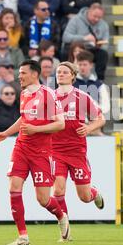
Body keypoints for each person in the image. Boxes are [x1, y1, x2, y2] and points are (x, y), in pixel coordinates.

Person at [0, 59, 69, 245]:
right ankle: (23, 236)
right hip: (21, 148)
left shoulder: (48, 95)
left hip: (41, 152)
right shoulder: (24, 94)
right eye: (19, 73)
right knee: (14, 187)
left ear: (34, 74)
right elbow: (24, 119)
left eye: (23, 73)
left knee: (43, 199)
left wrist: (36, 130)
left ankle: (61, 216)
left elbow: (60, 123)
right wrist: (7, 133)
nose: (19, 76)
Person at [51, 61, 105, 228]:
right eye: (58, 72)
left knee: (84, 197)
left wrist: (89, 128)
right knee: (58, 190)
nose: (60, 74)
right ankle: (64, 227)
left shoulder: (82, 97)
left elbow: (100, 119)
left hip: (76, 151)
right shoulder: (49, 97)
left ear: (73, 76)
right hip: (55, 150)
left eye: (65, 72)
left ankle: (93, 193)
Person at [62, 3, 110, 80]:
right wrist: (84, 38)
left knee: (103, 54)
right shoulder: (76, 20)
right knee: (65, 51)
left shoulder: (104, 25)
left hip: (92, 49)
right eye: (94, 16)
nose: (96, 19)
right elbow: (66, 37)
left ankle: (99, 80)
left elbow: (106, 42)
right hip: (78, 48)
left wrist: (100, 45)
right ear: (89, 12)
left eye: (99, 17)